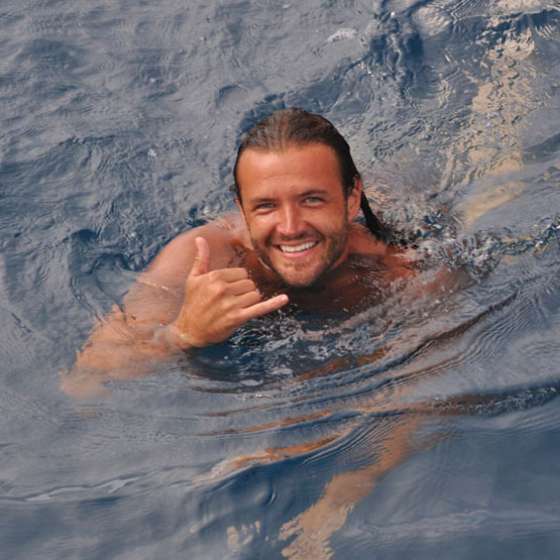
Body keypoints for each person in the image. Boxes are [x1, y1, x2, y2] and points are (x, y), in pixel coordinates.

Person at [62, 108, 416, 397]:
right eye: (265, 206)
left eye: (312, 200)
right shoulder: (203, 256)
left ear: (352, 198)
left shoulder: (399, 271)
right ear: (242, 208)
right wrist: (182, 334)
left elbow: (421, 398)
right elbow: (86, 382)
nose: (290, 226)